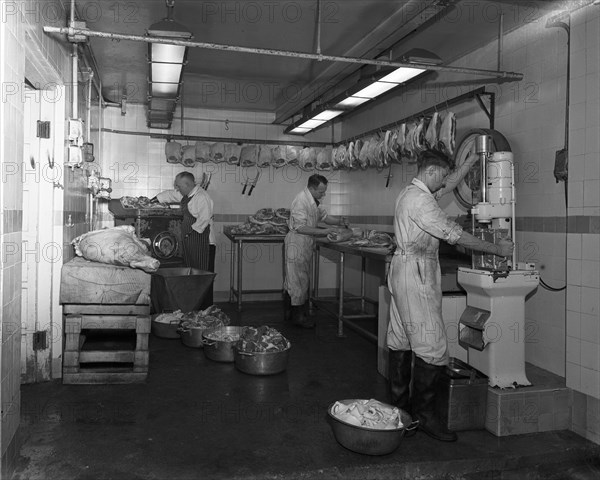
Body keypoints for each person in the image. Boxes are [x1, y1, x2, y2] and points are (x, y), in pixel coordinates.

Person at [387, 149, 513, 442]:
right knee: (432, 345)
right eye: (441, 176)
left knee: (401, 339)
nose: (444, 182)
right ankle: (424, 416)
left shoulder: (412, 191)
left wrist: (467, 163)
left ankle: (399, 413)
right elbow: (453, 234)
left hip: (403, 269)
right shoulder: (420, 201)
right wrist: (497, 249)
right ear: (430, 172)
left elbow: (449, 183)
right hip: (416, 273)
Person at [284, 174, 348, 328]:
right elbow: (300, 227)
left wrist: (339, 221)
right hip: (297, 243)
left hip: (304, 243)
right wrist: (325, 232)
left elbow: (324, 217)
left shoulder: (313, 201)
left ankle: (293, 314)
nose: (323, 195)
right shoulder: (301, 200)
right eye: (321, 192)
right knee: (296, 281)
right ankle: (297, 317)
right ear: (311, 188)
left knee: (300, 280)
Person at [152, 172, 216, 307]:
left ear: (187, 185)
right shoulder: (187, 195)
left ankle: (206, 310)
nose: (177, 188)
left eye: (179, 186)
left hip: (204, 243)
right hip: (191, 242)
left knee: (203, 278)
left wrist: (190, 232)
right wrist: (155, 199)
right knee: (192, 274)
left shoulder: (202, 197)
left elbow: (204, 219)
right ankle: (194, 308)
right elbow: (171, 194)